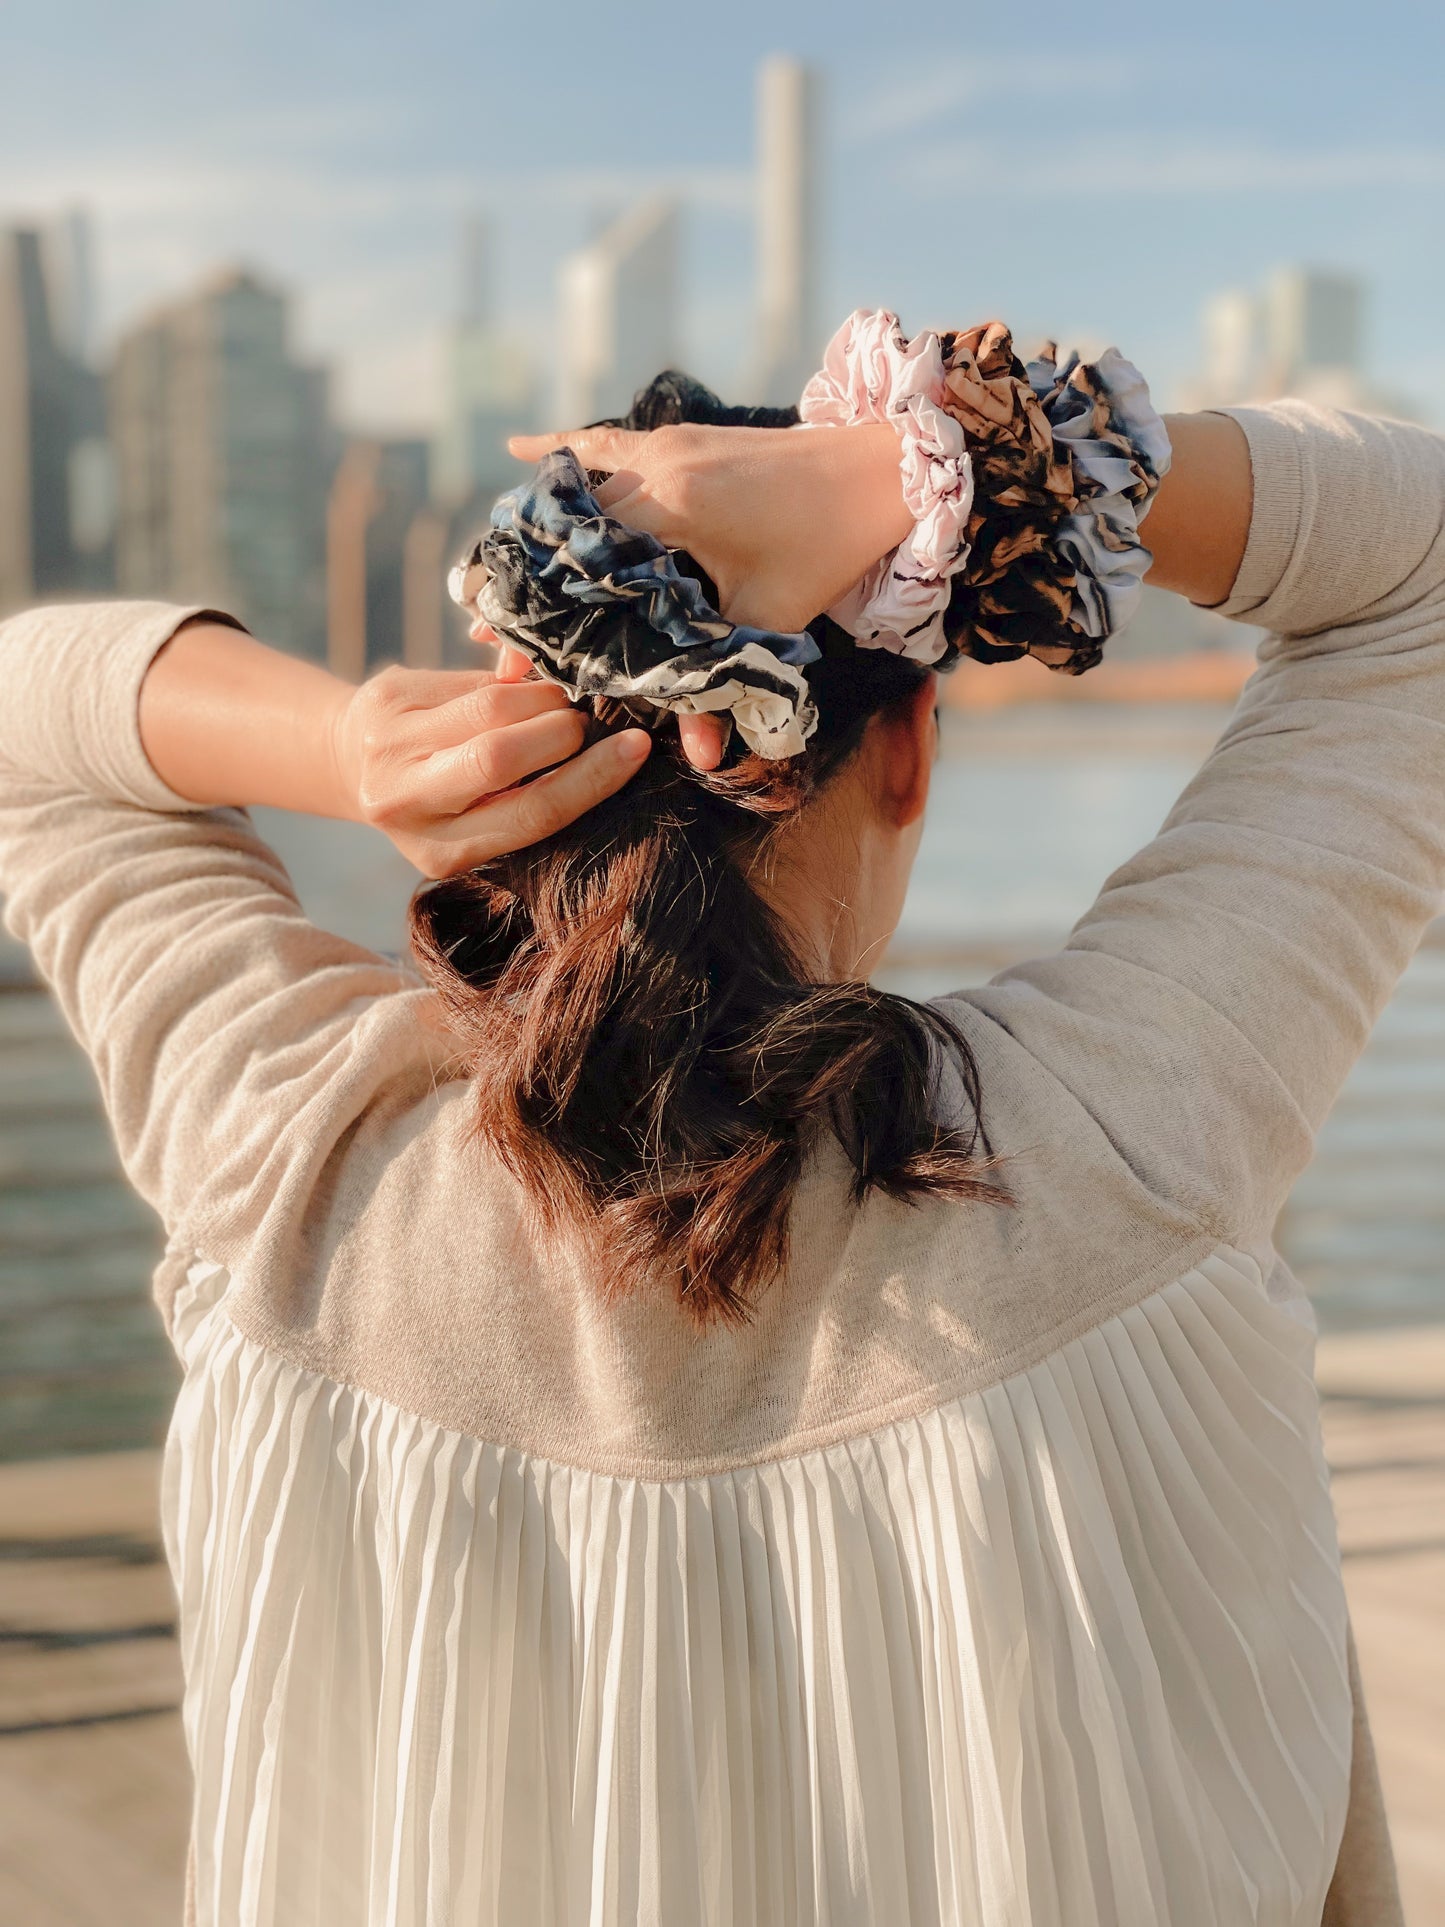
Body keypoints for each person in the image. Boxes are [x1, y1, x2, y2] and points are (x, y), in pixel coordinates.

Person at [1, 313, 1438, 1925]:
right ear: (903, 753)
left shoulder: (291, 1164)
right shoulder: (1122, 1134)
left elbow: (25, 717)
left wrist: (352, 749)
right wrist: (912, 465)